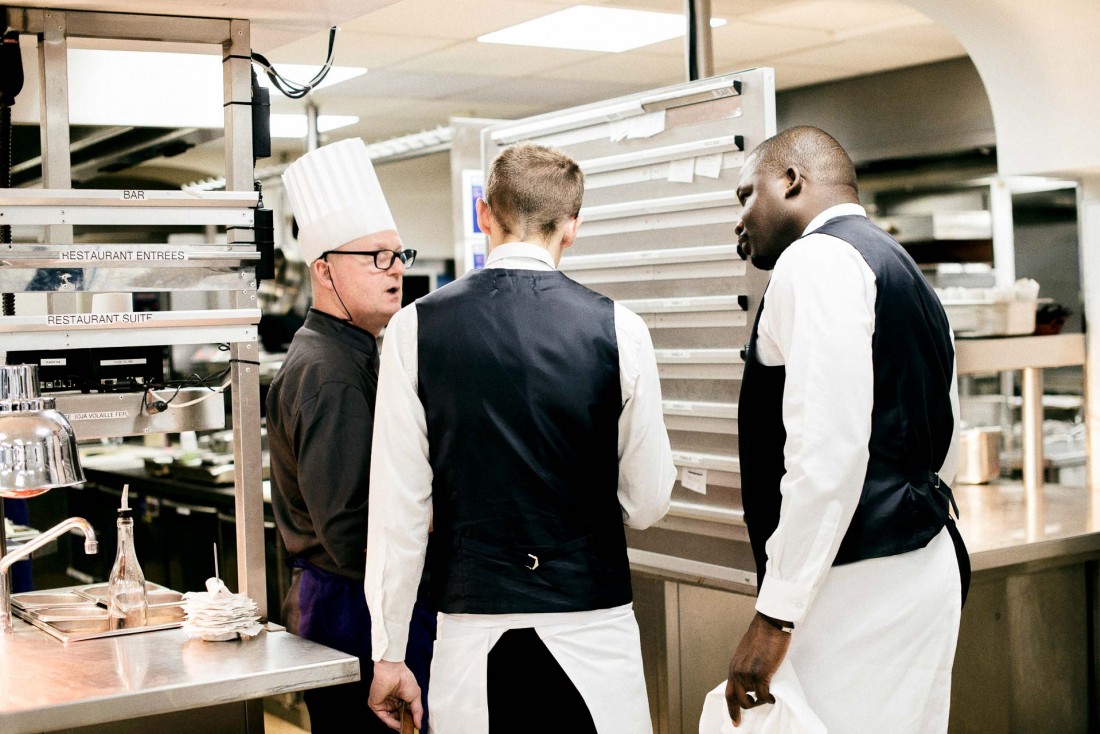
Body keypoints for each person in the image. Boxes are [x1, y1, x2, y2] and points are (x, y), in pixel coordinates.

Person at [363, 141, 677, 733]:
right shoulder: (619, 330)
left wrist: (390, 652)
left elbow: (399, 511)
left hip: (471, 627)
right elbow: (648, 500)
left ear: (486, 213)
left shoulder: (414, 330)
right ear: (573, 227)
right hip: (593, 624)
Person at [711, 126, 969, 734]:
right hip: (919, 560)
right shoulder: (901, 265)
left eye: (747, 196)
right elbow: (947, 436)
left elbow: (826, 455)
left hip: (851, 582)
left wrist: (774, 617)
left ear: (791, 182)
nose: (739, 220)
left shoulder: (816, 259)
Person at [267, 137, 435, 733]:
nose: (397, 271)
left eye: (398, 255)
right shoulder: (330, 373)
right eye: (376, 258)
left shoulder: (355, 353)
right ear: (324, 271)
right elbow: (349, 531)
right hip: (352, 607)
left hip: (353, 601)